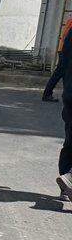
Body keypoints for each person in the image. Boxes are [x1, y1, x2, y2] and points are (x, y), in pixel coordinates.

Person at [47, 25, 72, 200]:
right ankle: (69, 178)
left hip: (70, 94)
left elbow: (62, 64)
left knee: (70, 141)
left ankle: (66, 187)